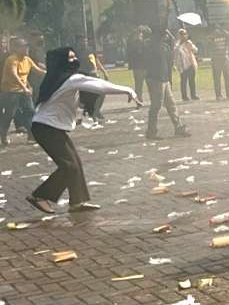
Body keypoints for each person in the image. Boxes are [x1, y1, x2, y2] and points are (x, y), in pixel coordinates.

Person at [25, 47, 140, 214]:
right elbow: (99, 85)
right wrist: (127, 89)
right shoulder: (71, 79)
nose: (74, 60)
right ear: (61, 62)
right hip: (47, 128)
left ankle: (77, 202)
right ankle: (40, 196)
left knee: (75, 164)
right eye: (70, 58)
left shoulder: (55, 78)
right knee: (69, 166)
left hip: (49, 127)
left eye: (74, 57)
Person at [144, 27, 189, 140]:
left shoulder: (164, 46)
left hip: (164, 79)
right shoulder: (152, 46)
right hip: (155, 79)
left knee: (171, 104)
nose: (167, 36)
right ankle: (151, 131)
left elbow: (172, 46)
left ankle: (178, 127)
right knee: (156, 105)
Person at [0, 38, 46, 146]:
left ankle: (32, 136)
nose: (26, 49)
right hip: (11, 91)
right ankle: (3, 134)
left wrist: (49, 73)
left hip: (24, 91)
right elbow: (14, 75)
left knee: (30, 111)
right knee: (10, 114)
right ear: (16, 48)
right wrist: (24, 88)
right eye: (23, 46)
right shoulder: (12, 60)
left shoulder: (27, 59)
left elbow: (37, 70)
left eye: (27, 46)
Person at [73, 35, 109, 122]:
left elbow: (96, 61)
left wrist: (104, 71)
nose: (84, 42)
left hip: (93, 74)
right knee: (84, 97)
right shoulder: (75, 52)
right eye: (82, 41)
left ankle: (95, 112)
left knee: (102, 92)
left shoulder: (90, 50)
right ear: (78, 42)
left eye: (85, 41)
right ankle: (83, 115)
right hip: (83, 76)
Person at [207, 25, 229, 100]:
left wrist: (228, 35)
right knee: (217, 78)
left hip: (225, 59)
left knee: (228, 77)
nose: (218, 31)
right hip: (216, 60)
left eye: (219, 29)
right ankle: (218, 95)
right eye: (216, 29)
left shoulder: (225, 36)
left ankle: (228, 94)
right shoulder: (212, 37)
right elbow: (209, 46)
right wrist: (212, 38)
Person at [174, 28, 200, 101]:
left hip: (191, 63)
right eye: (182, 34)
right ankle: (184, 96)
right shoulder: (177, 43)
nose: (183, 36)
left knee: (192, 80)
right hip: (183, 65)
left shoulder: (189, 42)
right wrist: (181, 44)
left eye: (184, 34)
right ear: (179, 36)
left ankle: (193, 95)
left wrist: (190, 45)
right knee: (183, 81)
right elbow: (176, 51)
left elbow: (196, 50)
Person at [127, 27, 149, 102]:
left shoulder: (140, 43)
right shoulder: (137, 44)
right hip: (140, 66)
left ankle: (137, 98)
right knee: (139, 84)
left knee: (139, 84)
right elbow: (140, 53)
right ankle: (139, 99)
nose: (141, 35)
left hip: (141, 66)